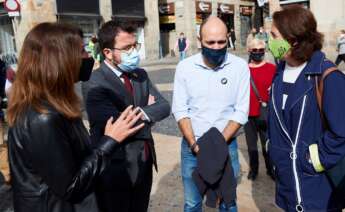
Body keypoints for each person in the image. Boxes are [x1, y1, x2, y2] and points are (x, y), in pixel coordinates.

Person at [6, 22, 146, 212]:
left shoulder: (56, 104)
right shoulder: (42, 116)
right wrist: (110, 141)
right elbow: (71, 186)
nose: (88, 57)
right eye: (82, 51)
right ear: (59, 59)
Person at [83, 20, 170, 212]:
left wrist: (140, 113)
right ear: (107, 52)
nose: (133, 52)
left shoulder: (140, 74)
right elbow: (118, 124)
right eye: (126, 48)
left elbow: (165, 106)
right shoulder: (94, 82)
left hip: (145, 161)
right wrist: (147, 112)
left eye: (135, 45)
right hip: (115, 167)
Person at [267, 5, 345, 211]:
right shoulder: (279, 72)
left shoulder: (327, 76)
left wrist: (309, 160)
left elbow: (341, 133)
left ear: (292, 39)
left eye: (274, 35)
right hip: (287, 187)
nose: (269, 40)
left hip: (317, 191)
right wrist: (273, 149)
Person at [172, 16, 250, 212]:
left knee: (228, 202)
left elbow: (241, 110)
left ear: (228, 38)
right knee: (192, 203)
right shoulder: (185, 68)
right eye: (210, 42)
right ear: (200, 41)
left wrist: (216, 145)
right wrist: (195, 145)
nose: (216, 47)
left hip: (226, 145)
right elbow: (180, 110)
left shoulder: (239, 67)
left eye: (221, 42)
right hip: (192, 147)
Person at [244, 38, 276, 181]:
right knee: (251, 145)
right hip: (247, 113)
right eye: (255, 50)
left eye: (261, 50)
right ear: (249, 51)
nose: (258, 53)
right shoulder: (243, 69)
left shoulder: (272, 69)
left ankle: (270, 169)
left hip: (265, 113)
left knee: (267, 144)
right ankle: (254, 169)